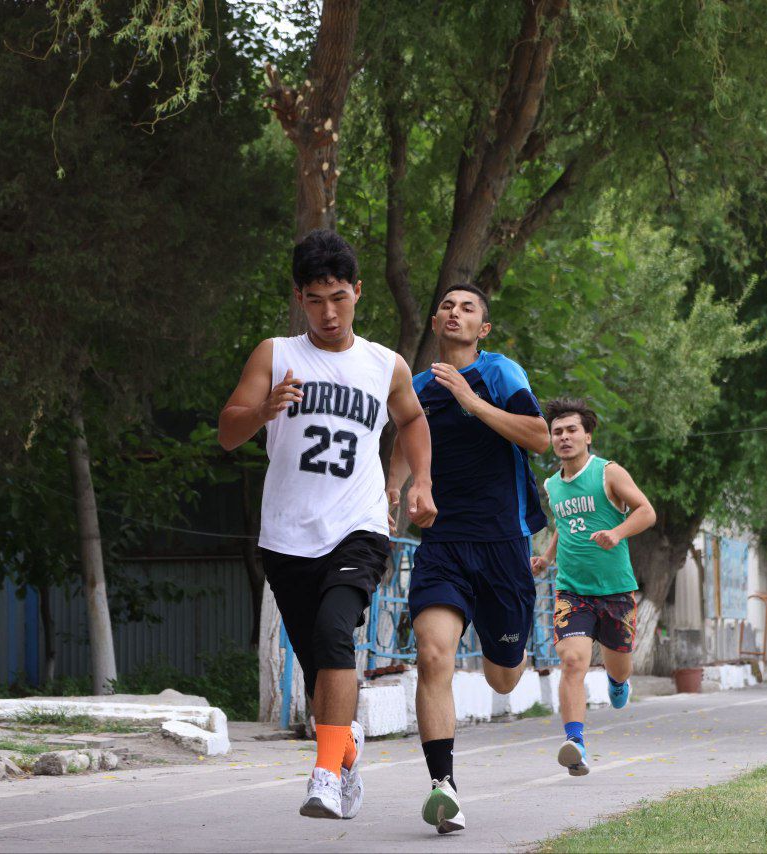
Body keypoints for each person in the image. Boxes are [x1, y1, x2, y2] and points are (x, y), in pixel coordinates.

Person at [218, 229, 437, 820]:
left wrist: (418, 481)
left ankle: (323, 777)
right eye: (315, 300)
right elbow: (229, 431)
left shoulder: (385, 365)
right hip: (287, 535)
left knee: (336, 633)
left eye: (338, 297)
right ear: (299, 299)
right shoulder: (275, 355)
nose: (329, 312)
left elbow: (412, 420)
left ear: (357, 292)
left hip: (358, 527)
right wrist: (263, 410)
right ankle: (344, 747)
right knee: (321, 672)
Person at [388, 283, 549, 835]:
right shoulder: (417, 387)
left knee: (503, 679)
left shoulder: (500, 373)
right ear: (436, 322)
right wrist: (393, 489)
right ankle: (444, 788)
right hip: (443, 544)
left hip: (503, 544)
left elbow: (539, 437)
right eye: (447, 307)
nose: (455, 313)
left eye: (468, 308)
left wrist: (472, 401)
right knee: (432, 654)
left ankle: (509, 646)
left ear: (483, 328)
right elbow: (403, 440)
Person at [531, 398, 656, 777]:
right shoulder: (552, 485)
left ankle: (618, 682)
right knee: (572, 661)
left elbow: (646, 511)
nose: (564, 437)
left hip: (616, 590)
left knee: (619, 666)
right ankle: (575, 744)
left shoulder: (608, 473)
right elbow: (564, 525)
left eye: (572, 430)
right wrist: (546, 558)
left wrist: (617, 533)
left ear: (587, 435)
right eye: (557, 432)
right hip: (572, 591)